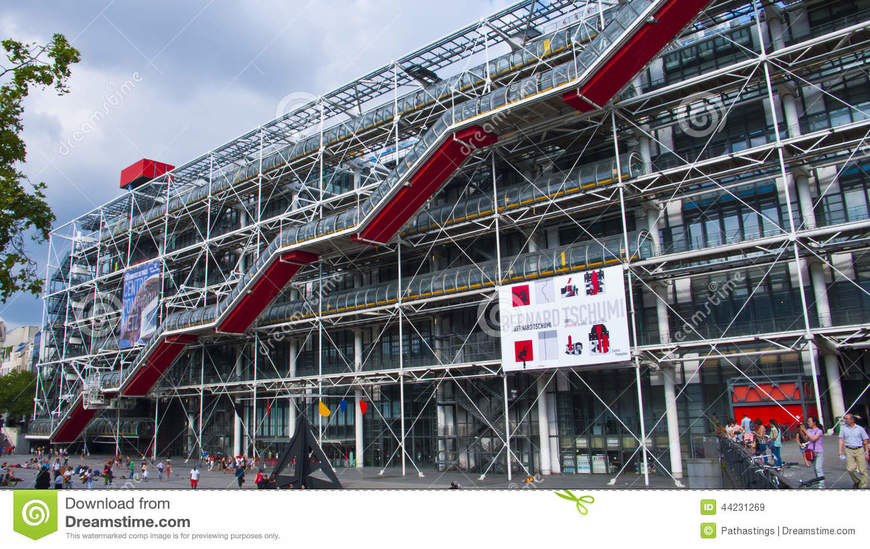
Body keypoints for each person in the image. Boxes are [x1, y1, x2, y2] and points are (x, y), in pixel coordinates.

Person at [838, 413, 869, 489]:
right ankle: (856, 481)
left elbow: (865, 440)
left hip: (859, 449)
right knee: (850, 469)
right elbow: (841, 439)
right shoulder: (843, 428)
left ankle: (863, 486)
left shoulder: (860, 429)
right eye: (844, 418)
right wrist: (840, 450)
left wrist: (867, 452)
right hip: (849, 450)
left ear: (852, 420)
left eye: (846, 419)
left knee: (863, 470)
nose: (845, 420)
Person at [800, 416, 825, 489]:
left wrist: (805, 431)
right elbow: (805, 439)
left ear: (814, 423)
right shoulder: (809, 430)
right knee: (815, 468)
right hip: (811, 452)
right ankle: (818, 480)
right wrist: (802, 432)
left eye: (809, 421)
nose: (808, 423)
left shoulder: (819, 431)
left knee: (818, 468)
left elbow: (813, 439)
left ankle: (822, 484)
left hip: (818, 451)